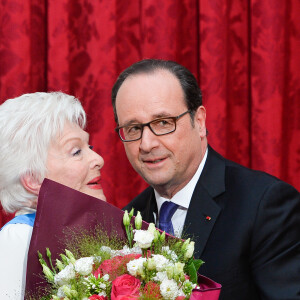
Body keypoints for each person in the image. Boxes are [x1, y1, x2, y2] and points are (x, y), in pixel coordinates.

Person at [111, 59, 300, 300]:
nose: (147, 144)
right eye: (134, 128)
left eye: (163, 123)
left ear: (199, 122)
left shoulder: (264, 205)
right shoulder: (128, 221)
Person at [0, 92, 106, 299]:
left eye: (89, 147)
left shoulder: (87, 233)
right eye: (76, 151)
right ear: (33, 179)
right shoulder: (20, 238)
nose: (98, 159)